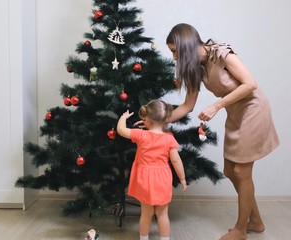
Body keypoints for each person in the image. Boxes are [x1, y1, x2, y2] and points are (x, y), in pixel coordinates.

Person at [165, 23, 280, 240]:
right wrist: (158, 123)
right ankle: (255, 221)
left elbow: (250, 84)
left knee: (241, 172)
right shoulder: (196, 68)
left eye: (174, 51)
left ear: (186, 45)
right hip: (235, 113)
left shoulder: (221, 53)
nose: (173, 57)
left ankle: (241, 229)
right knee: (230, 170)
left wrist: (216, 106)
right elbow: (187, 106)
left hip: (253, 109)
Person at [117, 99, 187, 240]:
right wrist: (182, 179)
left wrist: (123, 118)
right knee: (162, 214)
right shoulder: (169, 139)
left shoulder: (141, 135)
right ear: (165, 119)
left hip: (145, 179)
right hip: (162, 179)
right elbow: (176, 161)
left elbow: (121, 130)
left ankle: (144, 238)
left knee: (146, 214)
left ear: (147, 118)